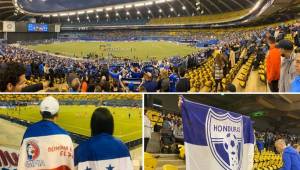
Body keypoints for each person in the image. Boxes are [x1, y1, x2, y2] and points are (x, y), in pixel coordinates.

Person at [18, 96, 74, 170]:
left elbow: (23, 160)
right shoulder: (65, 136)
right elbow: (69, 165)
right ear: (57, 115)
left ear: (40, 112)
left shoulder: (29, 131)